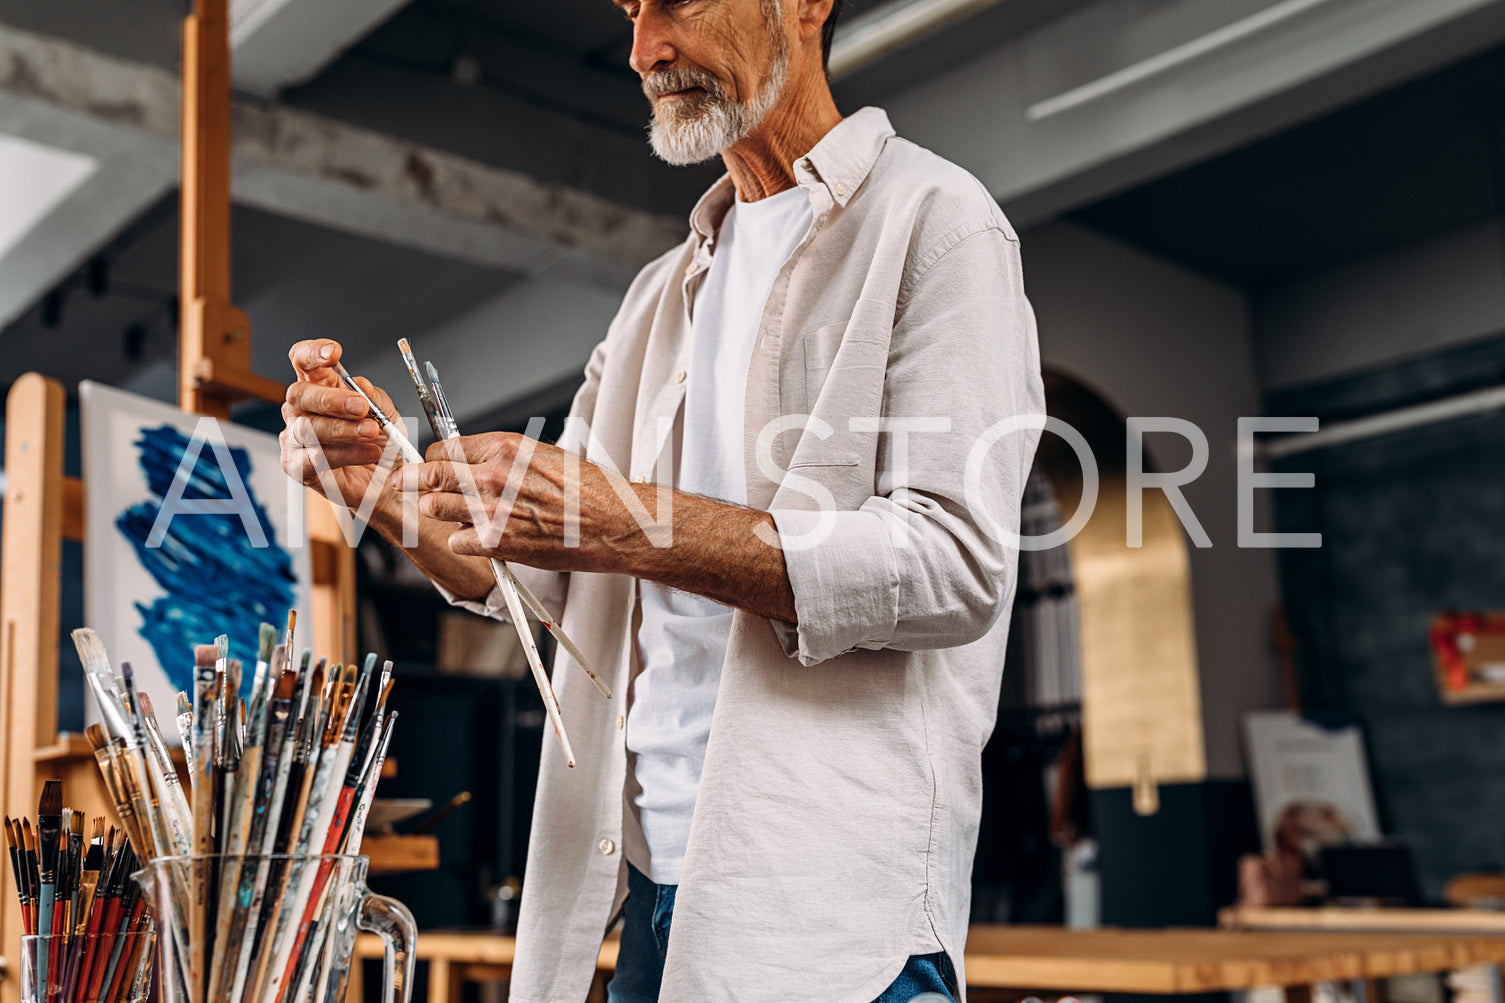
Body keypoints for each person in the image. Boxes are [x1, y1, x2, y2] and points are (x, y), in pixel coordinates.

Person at [280, 0, 1044, 998]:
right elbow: (536, 579)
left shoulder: (936, 223)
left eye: (677, 1)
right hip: (649, 896)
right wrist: (379, 478)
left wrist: (628, 521)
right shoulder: (656, 296)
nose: (644, 49)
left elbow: (953, 566)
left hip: (830, 922)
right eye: (629, 10)